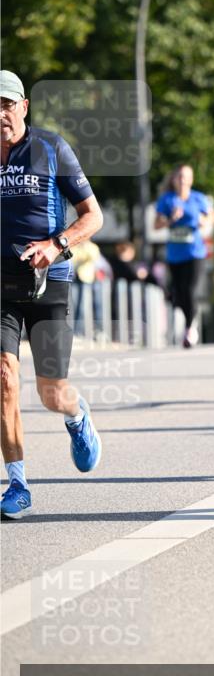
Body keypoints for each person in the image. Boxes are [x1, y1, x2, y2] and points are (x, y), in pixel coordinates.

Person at [1, 70, 103, 519]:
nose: (0, 113)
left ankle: (76, 415)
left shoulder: (50, 148)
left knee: (50, 391)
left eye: (7, 104)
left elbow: (92, 215)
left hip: (48, 281)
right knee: (4, 377)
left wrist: (56, 245)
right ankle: (17, 483)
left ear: (23, 106)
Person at [154, 164, 214, 348]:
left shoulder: (198, 198)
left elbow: (212, 216)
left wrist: (203, 220)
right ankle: (190, 320)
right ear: (174, 179)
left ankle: (190, 328)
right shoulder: (167, 200)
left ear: (191, 179)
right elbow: (156, 225)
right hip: (174, 255)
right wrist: (170, 219)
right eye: (179, 176)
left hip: (196, 253)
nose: (182, 180)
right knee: (178, 294)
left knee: (191, 290)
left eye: (186, 177)